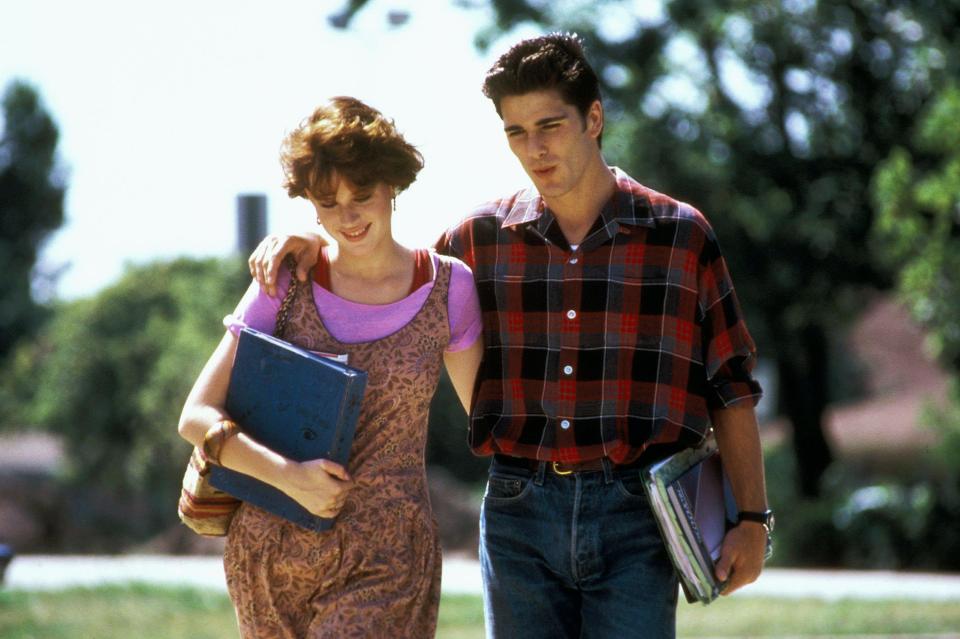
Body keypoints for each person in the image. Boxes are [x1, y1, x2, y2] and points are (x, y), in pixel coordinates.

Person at [251, 34, 771, 639]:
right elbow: (388, 273)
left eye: (549, 125)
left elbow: (730, 387)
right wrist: (316, 245)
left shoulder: (680, 236)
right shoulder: (478, 239)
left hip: (639, 518)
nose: (535, 148)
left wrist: (753, 519)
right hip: (518, 512)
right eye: (516, 132)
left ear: (594, 118)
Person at [178, 96, 483, 638]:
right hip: (268, 551)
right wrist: (290, 478)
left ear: (393, 185)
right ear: (310, 205)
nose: (348, 217)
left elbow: (487, 419)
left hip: (388, 558)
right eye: (328, 202)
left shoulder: (449, 287)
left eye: (362, 195)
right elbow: (196, 415)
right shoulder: (284, 279)